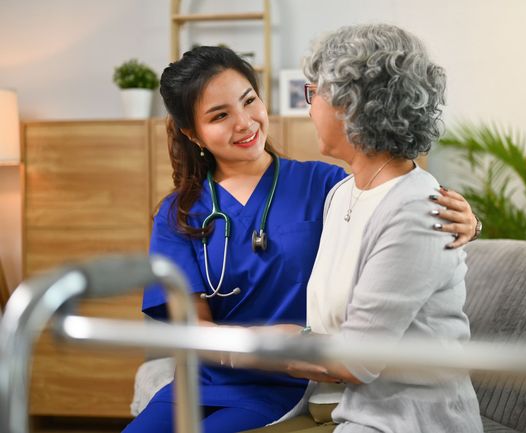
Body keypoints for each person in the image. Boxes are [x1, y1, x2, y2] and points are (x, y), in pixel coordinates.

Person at [122, 45, 479, 433]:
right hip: (206, 378)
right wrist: (253, 346)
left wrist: (471, 222)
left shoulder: (326, 186)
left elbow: (401, 205)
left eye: (249, 101)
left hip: (288, 381)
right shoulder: (178, 214)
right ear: (194, 134)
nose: (244, 123)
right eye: (220, 115)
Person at [244, 23, 483, 433]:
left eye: (313, 92)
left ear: (351, 105)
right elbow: (329, 331)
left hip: (411, 421)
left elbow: (354, 361)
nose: (308, 107)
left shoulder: (418, 211)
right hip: (348, 410)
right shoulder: (341, 195)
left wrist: (257, 347)